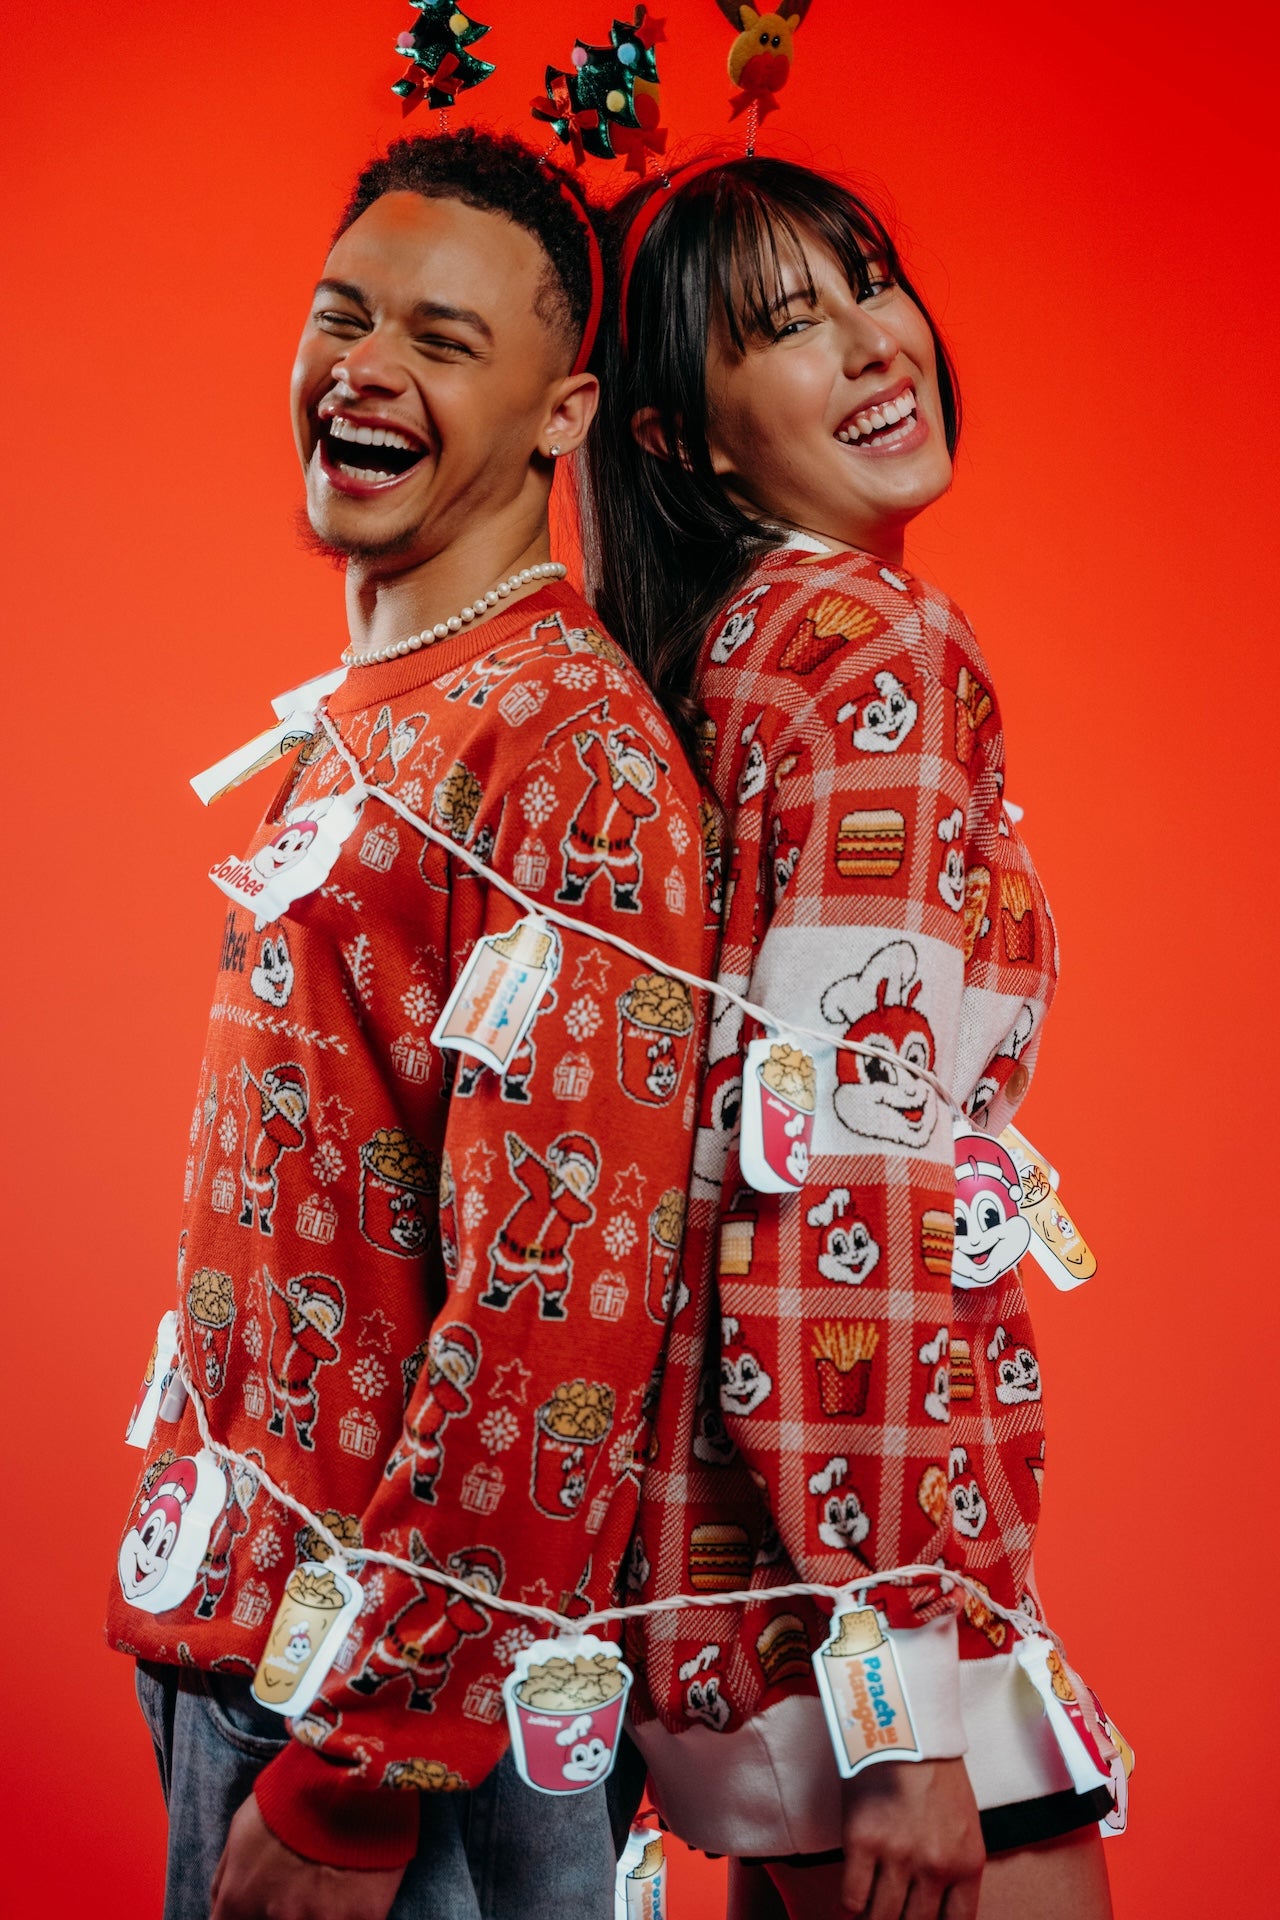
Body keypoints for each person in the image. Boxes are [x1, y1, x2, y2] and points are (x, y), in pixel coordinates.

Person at [107, 128, 712, 1920]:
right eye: (344, 316)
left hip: (391, 1735)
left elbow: (565, 1305)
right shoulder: (376, 706)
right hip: (243, 1644)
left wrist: (366, 1759)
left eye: (443, 341)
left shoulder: (570, 751)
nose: (366, 367)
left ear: (562, 415)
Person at [581, 156, 1116, 1920]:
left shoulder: (716, 654)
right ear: (683, 440)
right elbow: (837, 1175)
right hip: (867, 1596)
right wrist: (906, 1704)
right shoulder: (870, 646)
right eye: (785, 325)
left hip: (734, 1575)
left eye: (869, 281)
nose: (875, 342)